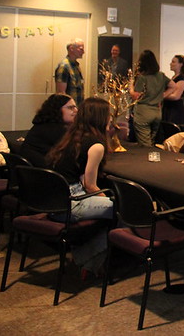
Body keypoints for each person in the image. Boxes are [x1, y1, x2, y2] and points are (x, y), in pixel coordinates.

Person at [47, 97, 114, 275]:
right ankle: (94, 263)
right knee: (120, 210)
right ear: (101, 118)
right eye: (109, 115)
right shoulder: (96, 145)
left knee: (106, 213)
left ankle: (91, 262)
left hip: (53, 203)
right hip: (71, 203)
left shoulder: (72, 137)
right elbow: (90, 186)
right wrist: (107, 199)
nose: (111, 119)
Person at [19, 93, 77, 168]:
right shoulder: (57, 131)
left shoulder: (42, 125)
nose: (76, 110)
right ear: (57, 109)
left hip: (33, 172)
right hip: (45, 172)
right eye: (71, 108)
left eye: (75, 107)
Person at [130, 50, 172, 147]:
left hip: (143, 112)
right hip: (157, 111)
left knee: (145, 145)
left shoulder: (142, 77)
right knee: (152, 141)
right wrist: (162, 96)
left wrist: (131, 88)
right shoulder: (161, 75)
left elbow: (136, 96)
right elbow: (173, 86)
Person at [54, 38, 85, 105]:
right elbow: (61, 93)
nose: (83, 52)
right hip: (69, 108)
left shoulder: (76, 66)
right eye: (81, 49)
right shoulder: (64, 66)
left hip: (77, 106)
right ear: (71, 48)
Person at [162, 54, 184, 124]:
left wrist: (161, 96)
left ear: (181, 64)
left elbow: (176, 96)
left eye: (173, 62)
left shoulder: (182, 78)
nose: (170, 64)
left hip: (175, 111)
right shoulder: (174, 77)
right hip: (169, 109)